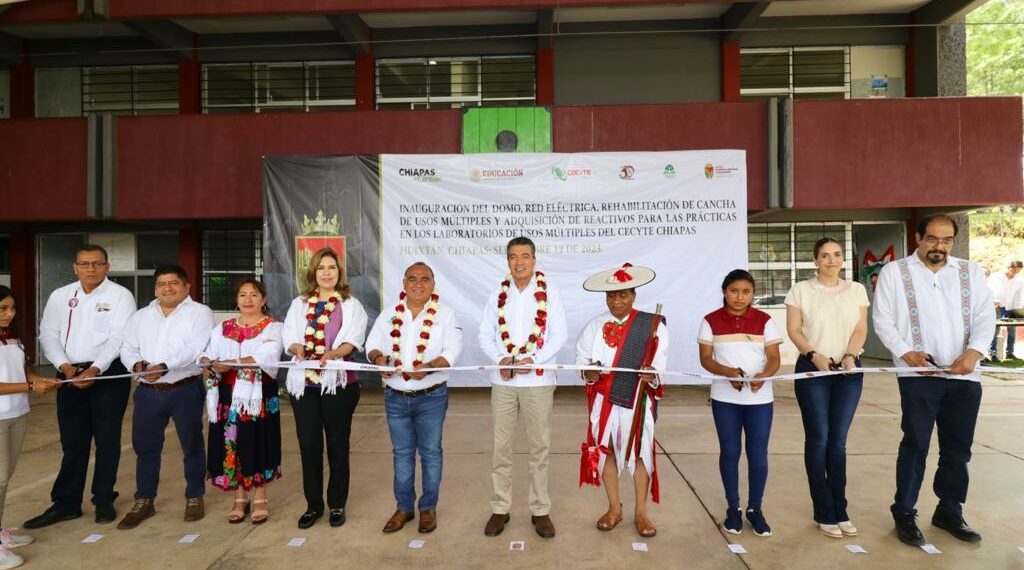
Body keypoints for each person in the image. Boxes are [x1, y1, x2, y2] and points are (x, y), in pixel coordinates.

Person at [873, 213, 995, 547]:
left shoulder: (970, 272)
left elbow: (986, 317)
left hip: (964, 376)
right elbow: (882, 320)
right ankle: (905, 511)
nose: (938, 246)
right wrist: (906, 352)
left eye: (945, 240)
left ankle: (949, 511)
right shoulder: (894, 273)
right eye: (932, 239)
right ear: (918, 238)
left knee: (958, 448)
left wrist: (973, 353)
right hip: (918, 376)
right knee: (915, 444)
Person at [25, 244, 136, 530]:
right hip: (69, 373)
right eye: (84, 264)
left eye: (97, 264)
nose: (91, 269)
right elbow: (48, 334)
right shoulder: (60, 296)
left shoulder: (120, 296)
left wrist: (95, 368)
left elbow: (119, 338)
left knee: (107, 439)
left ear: (107, 267)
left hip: (108, 373)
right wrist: (65, 367)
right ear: (75, 267)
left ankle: (103, 500)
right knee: (73, 442)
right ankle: (66, 503)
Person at [477, 236, 567, 538]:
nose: (519, 262)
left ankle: (540, 510)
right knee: (500, 448)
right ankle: (500, 509)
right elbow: (484, 334)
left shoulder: (549, 292)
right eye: (513, 256)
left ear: (534, 259)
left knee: (539, 448)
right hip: (502, 383)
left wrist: (535, 358)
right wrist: (500, 358)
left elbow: (559, 335)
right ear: (507, 261)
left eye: (525, 256)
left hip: (538, 382)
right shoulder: (498, 293)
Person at [366, 262, 462, 534]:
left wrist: (431, 366)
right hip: (395, 397)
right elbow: (371, 346)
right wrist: (380, 358)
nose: (418, 284)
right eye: (412, 279)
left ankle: (428, 508)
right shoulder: (389, 314)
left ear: (433, 284)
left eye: (425, 279)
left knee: (431, 453)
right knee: (402, 454)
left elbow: (453, 350)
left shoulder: (445, 314)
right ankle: (404, 508)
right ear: (404, 284)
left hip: (431, 397)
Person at [117, 265, 215, 530]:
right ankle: (145, 500)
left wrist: (163, 365)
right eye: (161, 284)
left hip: (184, 388)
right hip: (148, 393)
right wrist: (137, 366)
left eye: (173, 283)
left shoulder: (200, 313)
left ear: (186, 286)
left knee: (191, 445)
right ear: (155, 288)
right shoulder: (140, 316)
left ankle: (194, 496)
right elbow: (127, 347)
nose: (167, 288)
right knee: (146, 448)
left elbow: (196, 347)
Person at [784, 238, 869, 538]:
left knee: (838, 442)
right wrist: (814, 356)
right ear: (815, 260)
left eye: (836, 255)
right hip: (812, 370)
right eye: (824, 256)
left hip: (848, 371)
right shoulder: (801, 291)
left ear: (843, 259)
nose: (831, 261)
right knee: (818, 439)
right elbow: (794, 330)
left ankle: (840, 509)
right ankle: (824, 511)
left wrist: (850, 355)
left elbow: (860, 329)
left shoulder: (856, 290)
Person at [576, 263, 668, 538]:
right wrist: (588, 372)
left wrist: (652, 373)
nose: (616, 301)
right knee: (606, 452)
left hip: (636, 399)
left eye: (623, 295)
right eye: (611, 296)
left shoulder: (652, 325)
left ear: (634, 296)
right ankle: (614, 508)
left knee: (640, 453)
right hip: (604, 400)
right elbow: (581, 361)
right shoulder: (594, 325)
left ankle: (641, 512)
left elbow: (659, 365)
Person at [282, 247, 367, 529]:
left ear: (339, 272)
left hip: (338, 386)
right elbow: (290, 337)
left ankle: (337, 504)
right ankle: (313, 505)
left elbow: (353, 340)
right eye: (321, 268)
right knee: (309, 445)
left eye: (332, 267)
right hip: (304, 386)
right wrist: (299, 348)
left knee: (337, 444)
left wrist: (333, 354)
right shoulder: (300, 303)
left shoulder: (351, 304)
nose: (327, 273)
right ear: (313, 273)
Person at [698, 269, 782, 538]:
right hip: (725, 399)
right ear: (725, 291)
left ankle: (755, 509)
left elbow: (774, 358)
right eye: (734, 291)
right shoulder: (710, 321)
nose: (739, 296)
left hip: (760, 399)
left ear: (753, 294)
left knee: (758, 454)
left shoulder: (765, 320)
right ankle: (732, 508)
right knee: (730, 452)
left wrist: (763, 377)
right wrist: (727, 373)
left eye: (746, 291)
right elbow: (706, 359)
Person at [200, 279, 283, 524]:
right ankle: (239, 496)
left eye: (254, 294)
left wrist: (232, 363)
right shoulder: (222, 328)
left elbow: (267, 355)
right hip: (227, 397)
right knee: (231, 443)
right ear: (236, 300)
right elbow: (206, 351)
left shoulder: (273, 327)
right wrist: (206, 363)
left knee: (257, 441)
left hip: (258, 398)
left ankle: (260, 496)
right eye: (243, 294)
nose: (248, 299)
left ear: (264, 299)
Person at [0, 286, 58, 569]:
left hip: (18, 413)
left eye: (12, 308)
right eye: (2, 309)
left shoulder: (13, 338)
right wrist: (30, 386)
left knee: (5, 475)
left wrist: (39, 380)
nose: (9, 314)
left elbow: (24, 371)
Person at [988, 260, 1023, 360]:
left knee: (1012, 331)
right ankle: (992, 353)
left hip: (1011, 307)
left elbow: (1019, 296)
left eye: (1018, 271)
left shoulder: (1019, 280)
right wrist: (993, 300)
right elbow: (989, 290)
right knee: (995, 329)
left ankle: (1010, 353)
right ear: (1009, 267)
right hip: (996, 306)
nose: (1015, 273)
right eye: (1014, 270)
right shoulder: (996, 277)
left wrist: (1018, 309)